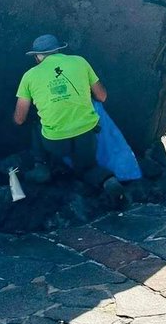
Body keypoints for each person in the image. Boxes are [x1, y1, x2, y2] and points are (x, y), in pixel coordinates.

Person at [14, 34, 124, 201]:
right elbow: (102, 96)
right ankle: (108, 181)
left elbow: (20, 118)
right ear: (58, 49)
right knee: (87, 168)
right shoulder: (80, 61)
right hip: (87, 135)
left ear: (37, 56)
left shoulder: (29, 76)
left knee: (36, 125)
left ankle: (41, 166)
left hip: (55, 142)